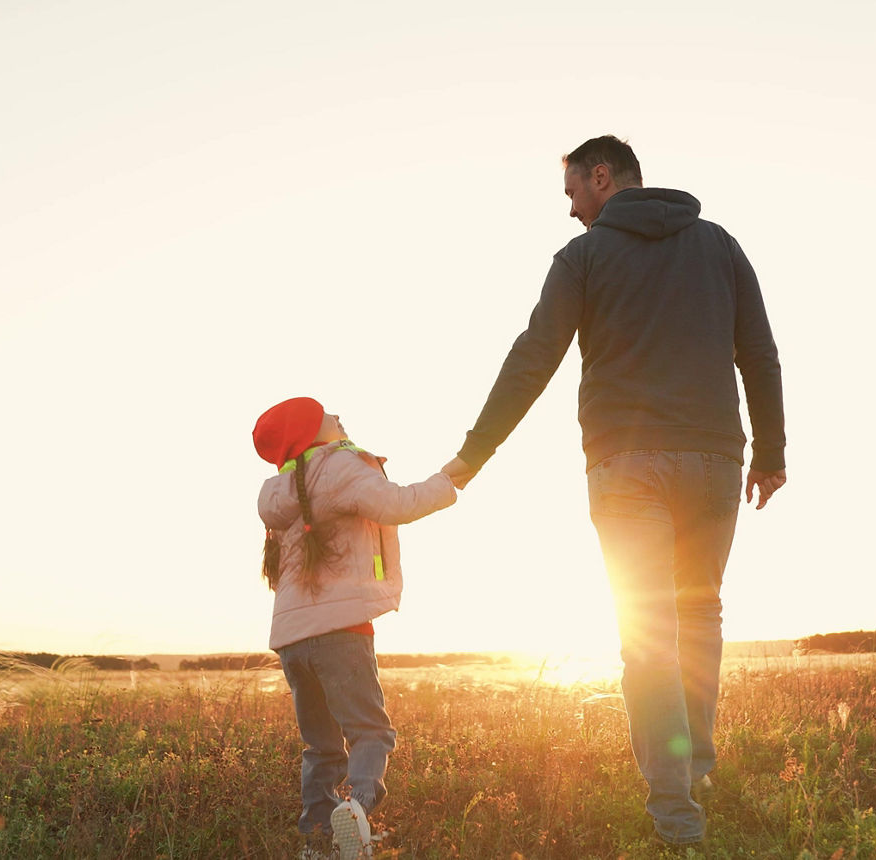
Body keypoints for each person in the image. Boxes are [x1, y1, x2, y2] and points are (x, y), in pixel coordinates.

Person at [442, 135, 786, 845]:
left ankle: (675, 812)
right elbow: (758, 350)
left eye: (572, 192)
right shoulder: (720, 244)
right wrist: (772, 453)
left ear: (602, 178)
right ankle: (696, 772)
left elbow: (534, 354)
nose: (570, 210)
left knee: (650, 634)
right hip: (717, 460)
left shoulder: (585, 256)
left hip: (627, 464)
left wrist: (473, 455)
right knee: (699, 617)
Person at [254, 396, 457, 859]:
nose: (337, 415)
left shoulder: (279, 488)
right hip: (342, 629)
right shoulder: (340, 468)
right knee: (370, 733)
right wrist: (448, 482)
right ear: (309, 431)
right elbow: (399, 503)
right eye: (325, 413)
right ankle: (358, 813)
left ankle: (316, 839)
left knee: (321, 746)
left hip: (291, 638)